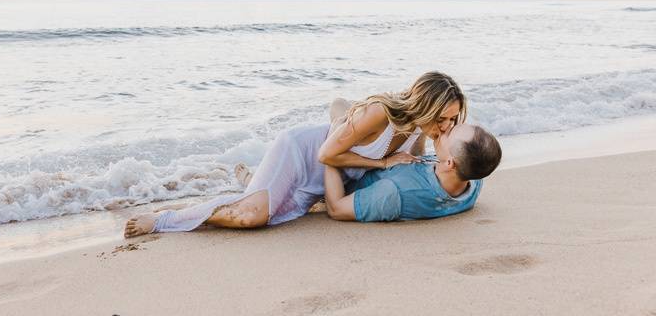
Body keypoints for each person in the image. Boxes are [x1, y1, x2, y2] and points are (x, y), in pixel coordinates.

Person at [124, 72, 466, 238]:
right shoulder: (382, 113)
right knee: (252, 217)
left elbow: (415, 169)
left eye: (452, 119)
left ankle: (253, 181)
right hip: (301, 154)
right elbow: (325, 153)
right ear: (425, 106)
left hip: (331, 179)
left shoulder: (421, 131)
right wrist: (383, 162)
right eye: (443, 118)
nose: (447, 125)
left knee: (276, 204)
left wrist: (441, 148)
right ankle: (165, 218)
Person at [323, 123, 501, 222]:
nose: (445, 127)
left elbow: (336, 209)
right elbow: (418, 163)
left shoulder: (395, 193)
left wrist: (330, 151)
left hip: (341, 173)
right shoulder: (473, 178)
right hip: (379, 160)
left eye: (449, 133)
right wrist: (423, 125)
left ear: (450, 162)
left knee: (339, 106)